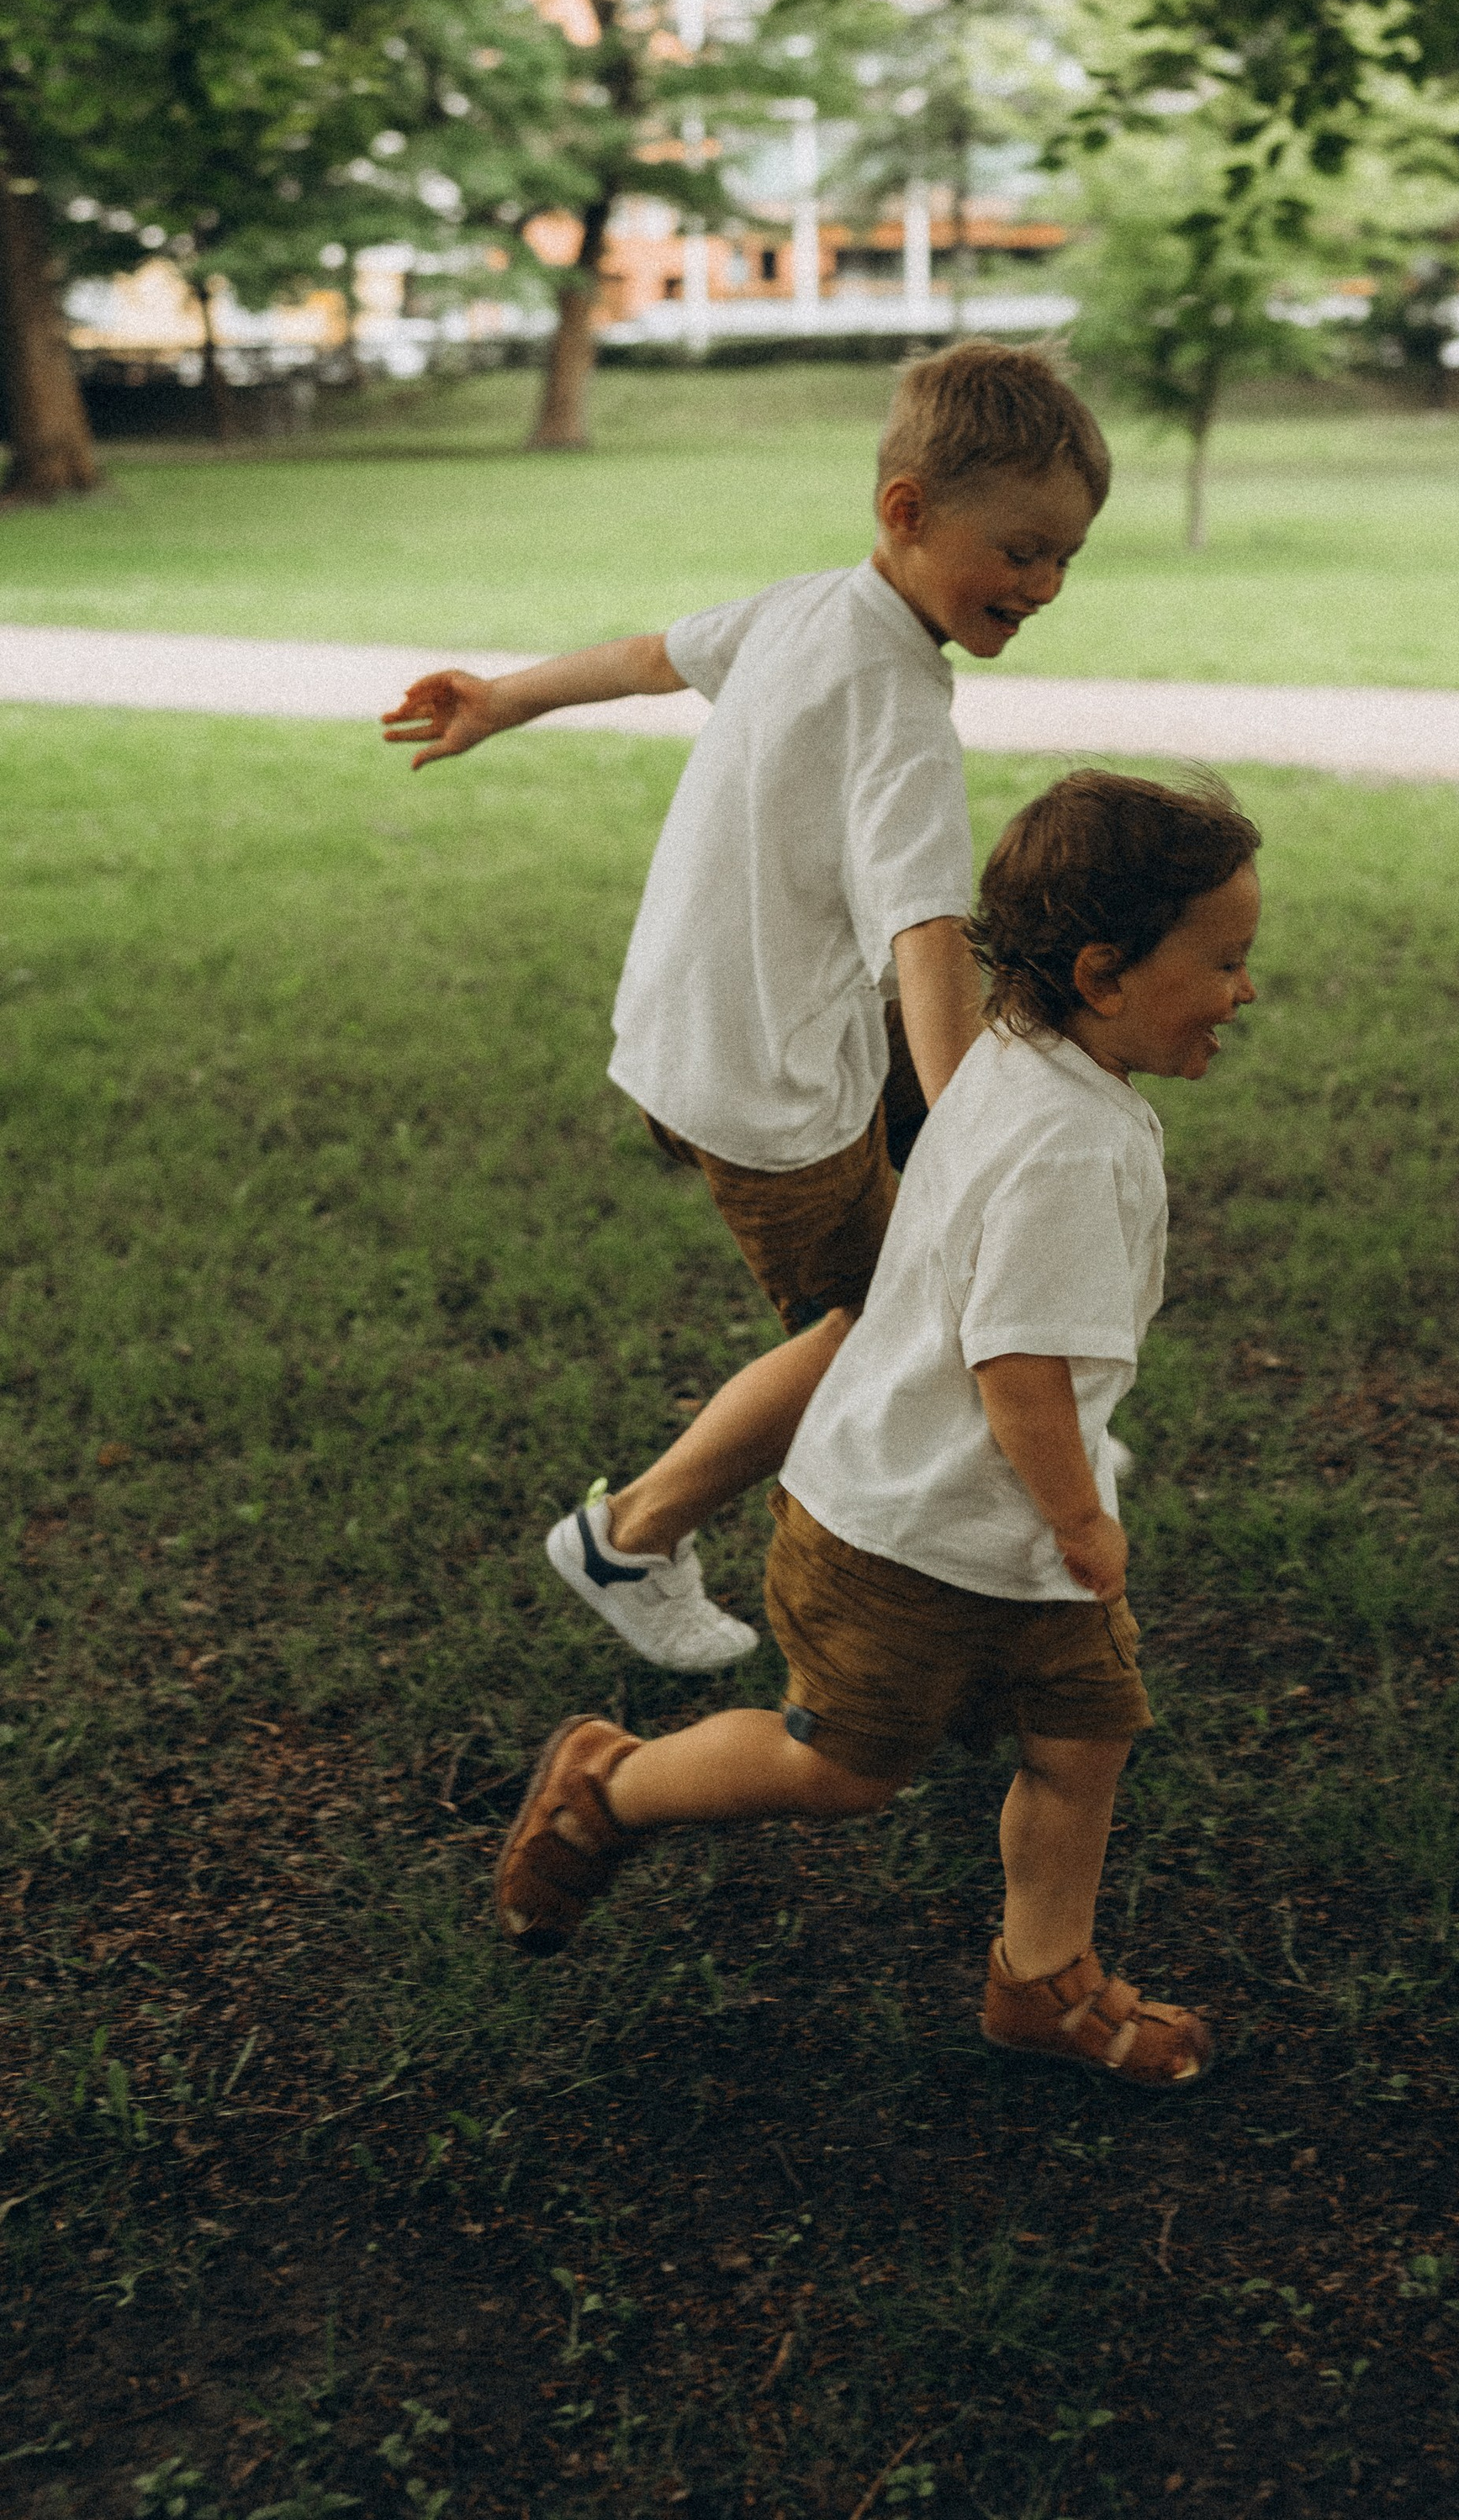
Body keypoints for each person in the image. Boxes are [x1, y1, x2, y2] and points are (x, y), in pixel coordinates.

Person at [491, 769, 1262, 2087]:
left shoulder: (1022, 1062)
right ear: (1104, 972)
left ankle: (1042, 1981)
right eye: (1226, 961)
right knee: (841, 1767)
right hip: (908, 1530)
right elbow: (1017, 1371)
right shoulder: (1066, 1147)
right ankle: (607, 1783)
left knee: (1084, 1737)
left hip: (994, 1530)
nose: (1247, 990)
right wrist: (1084, 1516)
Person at [380, 341, 1109, 1674]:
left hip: (699, 1023)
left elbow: (657, 657)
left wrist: (507, 694)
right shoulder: (899, 704)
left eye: (1065, 557)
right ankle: (635, 1533)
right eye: (1019, 551)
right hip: (765, 1084)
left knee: (933, 1268)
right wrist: (968, 1138)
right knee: (891, 1320)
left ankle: (980, 1471)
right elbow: (927, 937)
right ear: (907, 511)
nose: (1044, 584)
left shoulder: (814, 607)